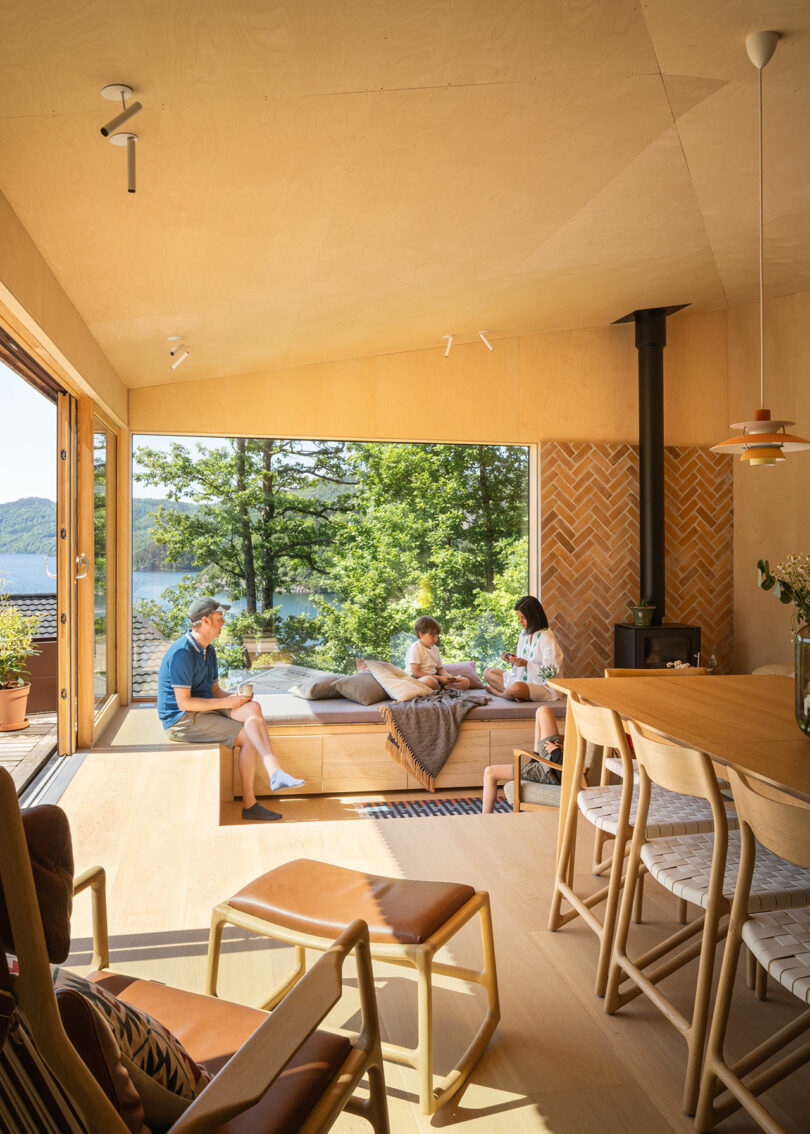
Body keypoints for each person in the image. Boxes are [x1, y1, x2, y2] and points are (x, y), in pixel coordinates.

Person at [157, 597, 305, 822]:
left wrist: (236, 698)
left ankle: (275, 771)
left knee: (253, 706)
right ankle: (251, 803)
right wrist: (227, 703)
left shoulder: (209, 651)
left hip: (203, 709)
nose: (223, 622)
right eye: (219, 618)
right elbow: (184, 703)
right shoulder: (182, 653)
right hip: (181, 720)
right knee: (247, 736)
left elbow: (215, 691)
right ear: (205, 621)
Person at [482, 706, 564, 813]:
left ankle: (485, 816)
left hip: (551, 771)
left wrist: (556, 752)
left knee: (490, 772)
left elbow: (563, 773)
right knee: (543, 711)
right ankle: (535, 758)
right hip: (552, 761)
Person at [483, 595, 563, 701]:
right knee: (488, 672)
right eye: (519, 617)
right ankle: (515, 695)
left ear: (533, 617)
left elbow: (551, 672)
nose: (520, 621)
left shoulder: (546, 636)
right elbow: (519, 667)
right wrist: (512, 660)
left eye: (523, 618)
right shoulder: (524, 634)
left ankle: (500, 694)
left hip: (543, 687)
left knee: (517, 688)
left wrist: (526, 664)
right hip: (522, 680)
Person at [404, 616, 471, 690]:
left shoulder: (435, 649)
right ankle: (443, 689)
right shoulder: (416, 647)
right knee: (429, 681)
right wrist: (439, 678)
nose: (436, 639)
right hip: (418, 679)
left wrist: (447, 675)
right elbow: (416, 673)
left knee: (466, 681)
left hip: (435, 677)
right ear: (421, 634)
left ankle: (445, 689)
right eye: (432, 635)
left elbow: (440, 668)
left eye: (437, 635)